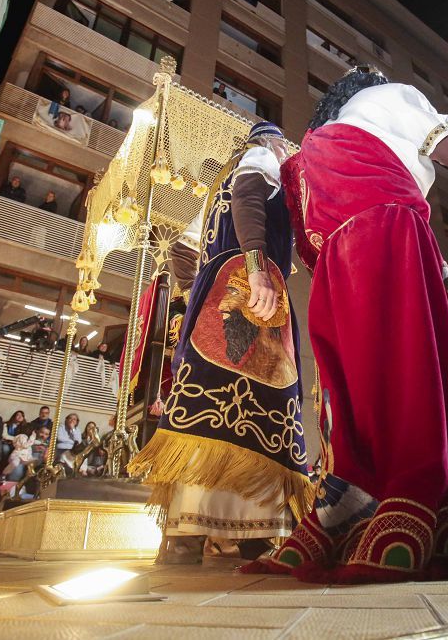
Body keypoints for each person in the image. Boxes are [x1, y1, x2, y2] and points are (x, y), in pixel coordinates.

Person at [244, 67, 448, 583]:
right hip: (387, 227)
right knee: (413, 365)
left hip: (332, 260)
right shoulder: (392, 94)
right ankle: (416, 499)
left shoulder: (311, 146)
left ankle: (350, 509)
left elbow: (301, 232)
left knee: (356, 392)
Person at [128, 121, 311, 564]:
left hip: (218, 296)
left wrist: (195, 295)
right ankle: (253, 536)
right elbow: (250, 195)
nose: (287, 152)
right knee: (263, 405)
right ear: (271, 140)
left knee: (212, 408)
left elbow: (183, 251)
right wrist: (256, 269)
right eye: (284, 144)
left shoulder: (214, 190)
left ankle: (187, 537)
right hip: (251, 291)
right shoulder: (262, 159)